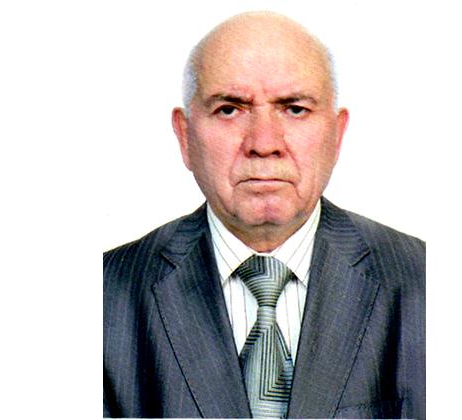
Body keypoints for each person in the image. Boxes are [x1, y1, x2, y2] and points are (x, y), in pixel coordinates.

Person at [103, 11, 425, 419]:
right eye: (229, 109)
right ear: (184, 136)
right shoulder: (104, 295)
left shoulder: (424, 281)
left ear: (337, 134)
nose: (264, 143)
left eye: (294, 109)